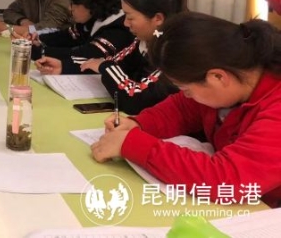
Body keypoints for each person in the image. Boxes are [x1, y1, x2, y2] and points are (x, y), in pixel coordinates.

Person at [91, 12, 281, 208]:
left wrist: (133, 144)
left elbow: (228, 178)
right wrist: (138, 124)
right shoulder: (233, 80)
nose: (186, 95)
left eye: (187, 89)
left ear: (218, 77)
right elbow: (182, 108)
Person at [69, 0, 188, 114]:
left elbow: (136, 100)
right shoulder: (144, 41)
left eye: (130, 17)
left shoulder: (175, 53)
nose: (125, 23)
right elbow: (113, 63)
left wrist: (105, 67)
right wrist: (64, 66)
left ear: (158, 18)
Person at [32, 0, 134, 74]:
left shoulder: (118, 30)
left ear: (92, 4)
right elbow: (67, 36)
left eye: (74, 3)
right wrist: (39, 39)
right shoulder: (94, 18)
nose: (70, 8)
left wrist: (40, 52)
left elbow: (85, 55)